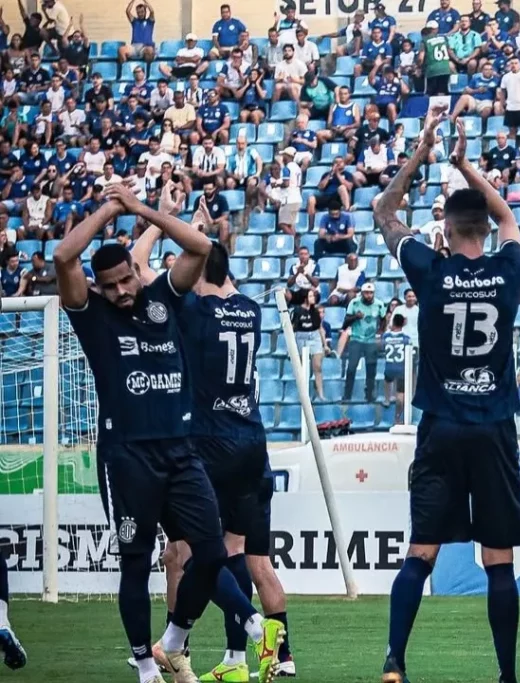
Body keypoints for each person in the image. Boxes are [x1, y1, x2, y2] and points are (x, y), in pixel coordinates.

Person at [52, 184, 283, 683]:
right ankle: (146, 665)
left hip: (182, 453)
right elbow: (63, 256)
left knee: (210, 553)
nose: (121, 291)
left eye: (125, 279)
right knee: (138, 563)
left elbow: (200, 246)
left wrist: (142, 210)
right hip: (127, 456)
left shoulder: (163, 300)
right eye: (110, 285)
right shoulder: (91, 315)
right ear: (98, 287)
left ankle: (177, 641)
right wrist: (110, 209)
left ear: (136, 273)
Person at [373, 106, 520, 683]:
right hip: (493, 427)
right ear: (483, 230)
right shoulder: (508, 269)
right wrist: (465, 164)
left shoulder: (429, 269)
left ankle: (395, 660)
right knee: (498, 560)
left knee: (422, 550)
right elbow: (509, 216)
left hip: (440, 425)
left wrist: (424, 151)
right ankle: (506, 675)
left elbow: (384, 211)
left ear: (444, 230)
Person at [129, 192, 293, 681]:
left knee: (193, 552)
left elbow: (136, 266)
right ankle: (228, 658)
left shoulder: (193, 311)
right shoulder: (249, 309)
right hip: (252, 443)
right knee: (234, 549)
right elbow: (218, 269)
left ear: (196, 270)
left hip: (206, 443)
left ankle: (248, 628)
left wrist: (163, 218)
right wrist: (202, 237)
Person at [343, 282, 387, 403]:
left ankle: (369, 395)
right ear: (362, 293)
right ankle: (347, 395)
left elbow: (383, 319)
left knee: (371, 369)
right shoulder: (354, 303)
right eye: (366, 293)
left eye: (371, 293)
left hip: (371, 340)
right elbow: (345, 323)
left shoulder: (379, 304)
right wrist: (355, 317)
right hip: (356, 339)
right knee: (351, 368)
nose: (369, 295)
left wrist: (380, 332)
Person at [381, 312, 411, 417]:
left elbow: (382, 348)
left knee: (387, 380)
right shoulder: (406, 338)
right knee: (400, 394)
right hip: (401, 368)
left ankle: (387, 399)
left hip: (389, 367)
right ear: (403, 323)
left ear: (393, 322)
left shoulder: (386, 336)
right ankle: (398, 416)